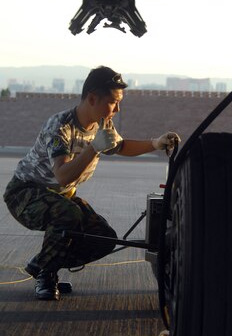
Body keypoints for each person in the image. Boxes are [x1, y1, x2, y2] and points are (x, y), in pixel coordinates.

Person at [3, 65, 180, 301]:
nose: (117, 109)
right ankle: (45, 274)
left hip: (60, 196)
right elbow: (63, 175)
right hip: (25, 193)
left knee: (103, 238)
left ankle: (44, 264)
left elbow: (120, 146)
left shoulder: (100, 124)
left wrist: (156, 143)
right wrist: (94, 148)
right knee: (68, 214)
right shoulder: (60, 127)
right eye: (113, 102)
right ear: (93, 98)